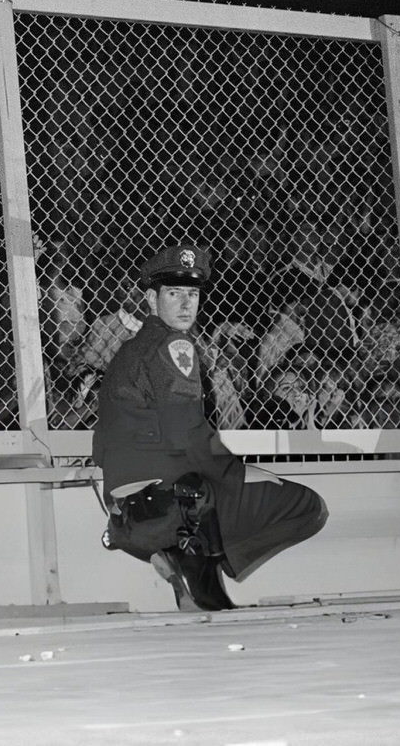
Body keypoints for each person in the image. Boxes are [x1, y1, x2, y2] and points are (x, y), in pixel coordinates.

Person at [93, 245, 329, 611]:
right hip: (171, 502)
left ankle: (186, 558)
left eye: (192, 294)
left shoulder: (132, 348)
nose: (186, 304)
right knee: (305, 505)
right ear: (150, 298)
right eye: (173, 294)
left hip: (126, 510)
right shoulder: (174, 344)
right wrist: (236, 474)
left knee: (219, 484)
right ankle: (193, 556)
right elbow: (186, 433)